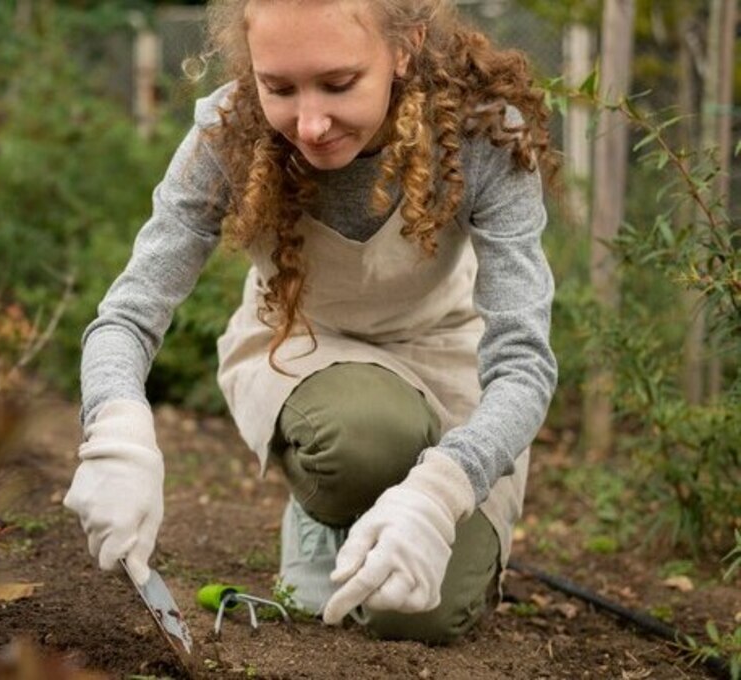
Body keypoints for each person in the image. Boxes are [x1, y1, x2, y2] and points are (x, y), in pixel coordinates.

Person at [63, 0, 557, 645]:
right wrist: (116, 427)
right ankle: (328, 514)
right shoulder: (227, 133)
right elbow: (127, 316)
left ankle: (395, 511)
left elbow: (524, 362)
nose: (312, 122)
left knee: (418, 614)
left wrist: (441, 492)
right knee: (365, 436)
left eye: (339, 83)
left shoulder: (483, 135)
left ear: (404, 48)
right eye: (280, 88)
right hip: (305, 345)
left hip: (446, 353)